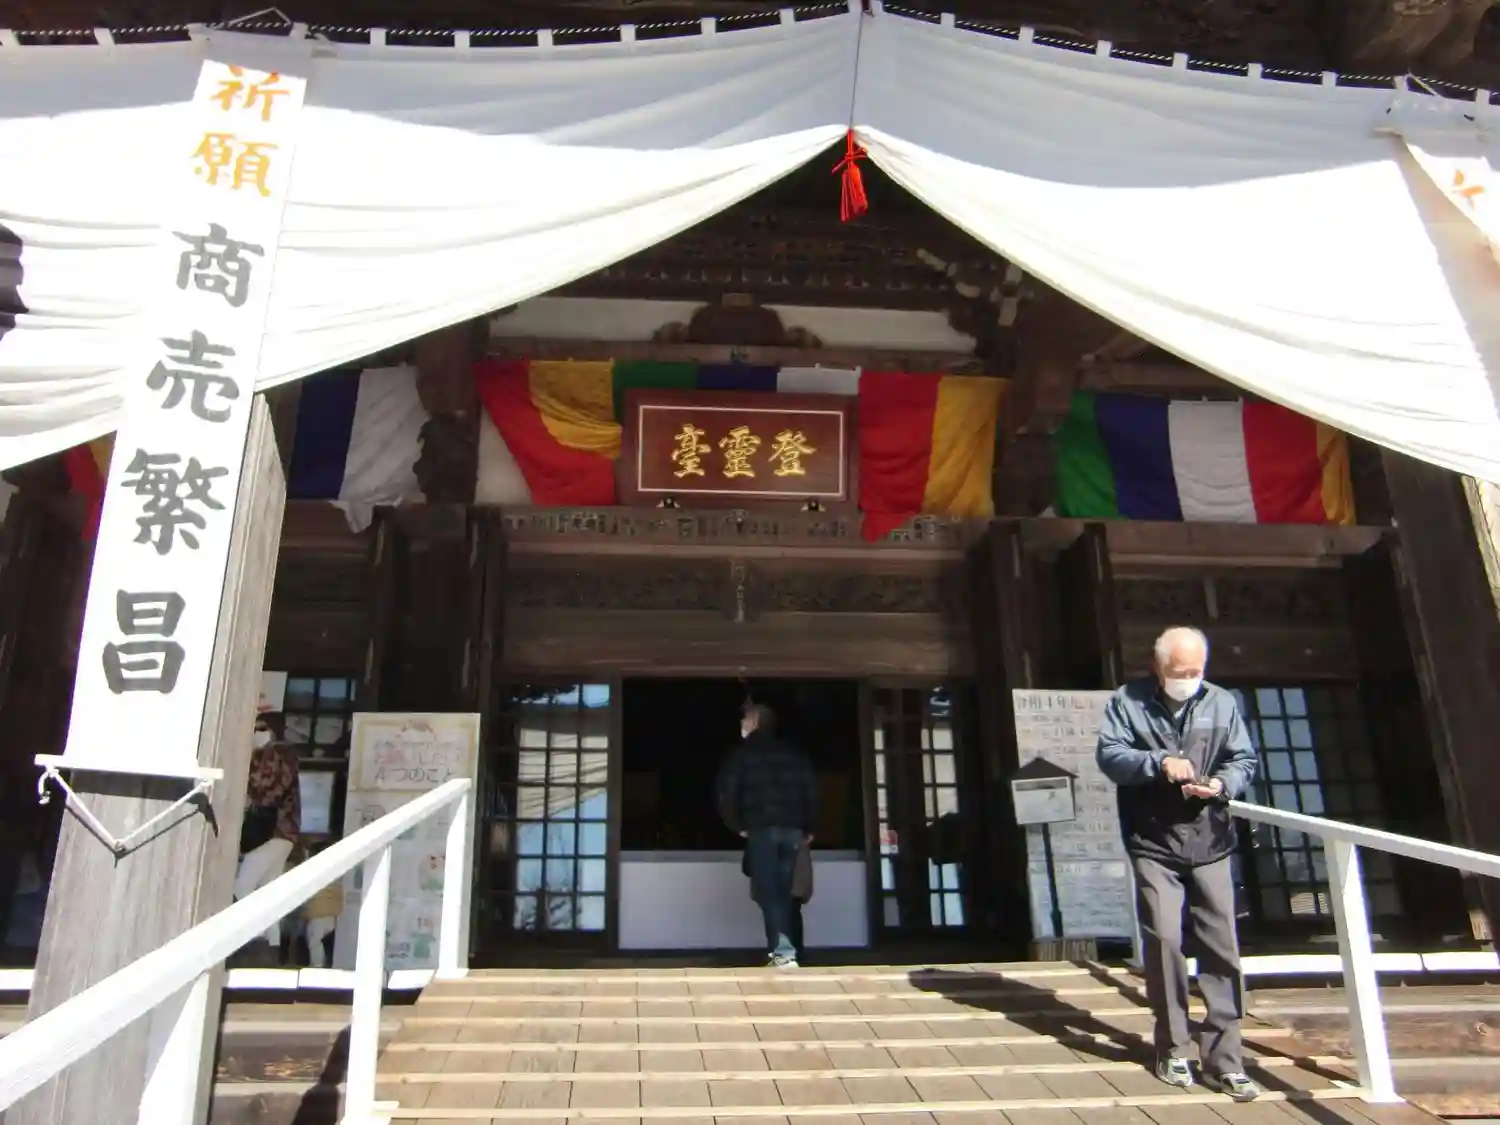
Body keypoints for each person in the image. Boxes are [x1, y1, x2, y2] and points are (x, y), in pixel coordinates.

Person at [1095, 626, 1261, 1101]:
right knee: (1165, 940)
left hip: (1211, 838)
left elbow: (1244, 759)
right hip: (1153, 840)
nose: (1187, 679)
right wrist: (1158, 762)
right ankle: (1172, 1047)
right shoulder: (1127, 702)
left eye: (1195, 671)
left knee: (1222, 945)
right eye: (1178, 671)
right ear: (1158, 667)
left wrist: (1222, 784)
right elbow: (1110, 757)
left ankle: (1226, 1059)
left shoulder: (1222, 702)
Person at [717, 702, 817, 968]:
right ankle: (791, 950)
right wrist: (809, 827)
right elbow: (810, 791)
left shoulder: (741, 755)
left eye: (744, 721)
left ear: (754, 722)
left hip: (762, 830)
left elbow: (727, 794)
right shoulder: (794, 754)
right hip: (793, 830)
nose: (741, 725)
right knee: (785, 892)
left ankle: (784, 953)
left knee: (770, 893)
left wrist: (737, 825)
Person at [234, 711, 301, 967]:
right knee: (268, 892)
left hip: (271, 830)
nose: (257, 733)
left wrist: (250, 758)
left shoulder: (277, 753)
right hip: (284, 831)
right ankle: (271, 948)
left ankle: (257, 939)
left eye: (262, 728)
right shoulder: (288, 754)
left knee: (242, 886)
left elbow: (265, 789)